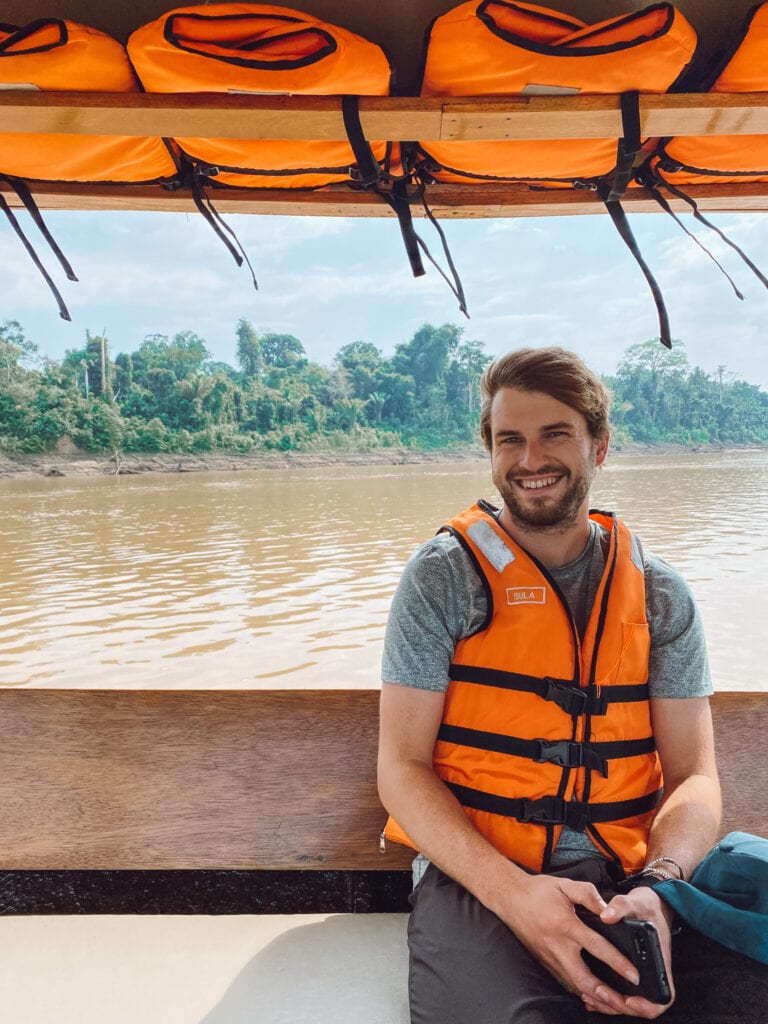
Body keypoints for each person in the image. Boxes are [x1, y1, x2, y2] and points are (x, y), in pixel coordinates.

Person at [377, 346, 768, 1023]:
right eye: (511, 440)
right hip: (479, 872)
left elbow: (693, 778)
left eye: (555, 434)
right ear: (492, 451)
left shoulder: (658, 594)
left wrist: (660, 887)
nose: (531, 460)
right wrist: (516, 896)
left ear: (600, 445)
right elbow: (402, 769)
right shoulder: (443, 578)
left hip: (633, 871)